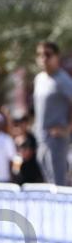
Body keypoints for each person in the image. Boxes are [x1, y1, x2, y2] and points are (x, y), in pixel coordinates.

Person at [34, 40, 72, 186]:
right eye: (40, 55)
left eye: (48, 54)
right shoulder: (39, 79)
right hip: (41, 138)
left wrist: (67, 128)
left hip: (56, 139)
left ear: (57, 57)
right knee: (48, 184)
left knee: (58, 184)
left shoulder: (63, 80)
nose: (43, 58)